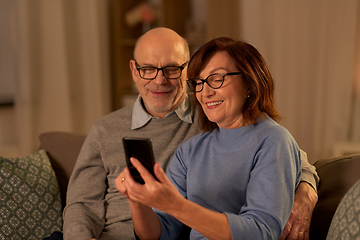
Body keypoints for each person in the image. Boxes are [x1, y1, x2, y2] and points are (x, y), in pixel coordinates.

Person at [57, 28, 318, 240]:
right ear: (135, 71)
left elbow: (290, 157)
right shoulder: (191, 147)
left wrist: (306, 189)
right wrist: (138, 198)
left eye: (217, 79)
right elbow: (85, 205)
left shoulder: (257, 134)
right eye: (201, 82)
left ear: (250, 82)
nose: (159, 80)